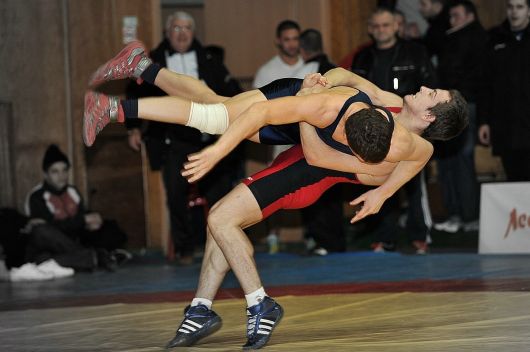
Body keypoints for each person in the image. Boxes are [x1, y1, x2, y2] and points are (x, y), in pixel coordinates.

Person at [85, 45, 467, 348]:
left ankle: (128, 94)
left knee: (216, 118)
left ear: (431, 118)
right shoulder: (388, 105)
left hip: (307, 153)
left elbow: (323, 159)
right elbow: (349, 79)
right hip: (312, 122)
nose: (421, 87)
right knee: (216, 114)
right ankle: (204, 308)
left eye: (431, 93)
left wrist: (380, 193)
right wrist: (321, 82)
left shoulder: (405, 151)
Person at [113, 11, 242, 265]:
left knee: (220, 193)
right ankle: (184, 249)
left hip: (209, 137)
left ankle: (223, 247)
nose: (182, 33)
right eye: (176, 28)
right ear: (167, 33)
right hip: (173, 138)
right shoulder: (154, 60)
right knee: (175, 194)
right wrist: (133, 128)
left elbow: (232, 91)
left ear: (193, 33)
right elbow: (134, 94)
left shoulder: (210, 58)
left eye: (187, 28)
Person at [351, 7, 437, 254]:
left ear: (397, 26)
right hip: (373, 129)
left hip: (410, 129)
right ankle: (384, 237)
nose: (381, 30)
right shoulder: (363, 58)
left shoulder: (416, 52)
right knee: (378, 179)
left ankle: (419, 235)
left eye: (386, 25)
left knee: (413, 183)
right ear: (370, 29)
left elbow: (430, 88)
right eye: (376, 26)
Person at [25, 144, 129, 272]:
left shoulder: (72, 192)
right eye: (55, 171)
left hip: (73, 241)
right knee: (41, 233)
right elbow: (51, 228)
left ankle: (87, 258)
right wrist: (82, 220)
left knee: (110, 227)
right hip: (52, 244)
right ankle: (96, 257)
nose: (61, 175)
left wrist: (90, 223)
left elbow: (79, 221)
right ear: (46, 174)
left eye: (64, 170)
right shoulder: (37, 196)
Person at [433, 0, 487, 233]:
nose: (451, 20)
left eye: (456, 15)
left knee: (462, 160)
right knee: (449, 160)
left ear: (470, 16)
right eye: (450, 16)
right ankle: (457, 214)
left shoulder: (475, 39)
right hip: (452, 105)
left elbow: (474, 77)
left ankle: (469, 216)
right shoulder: (451, 38)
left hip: (466, 105)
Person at [296, 28, 344, 255]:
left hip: (315, 138)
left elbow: (298, 105)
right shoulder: (334, 68)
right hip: (336, 138)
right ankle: (334, 242)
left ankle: (323, 241)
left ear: (302, 50)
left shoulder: (305, 72)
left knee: (314, 190)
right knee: (332, 190)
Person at [478, 0, 530, 181]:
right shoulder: (495, 39)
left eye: (520, 7)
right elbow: (485, 84)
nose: (514, 12)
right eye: (511, 7)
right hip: (506, 125)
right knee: (513, 179)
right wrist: (484, 121)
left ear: (529, 11)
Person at [252, 20, 307, 89]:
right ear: (278, 41)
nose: (292, 44)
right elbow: (257, 98)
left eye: (295, 39)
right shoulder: (266, 71)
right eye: (287, 39)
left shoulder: (310, 65)